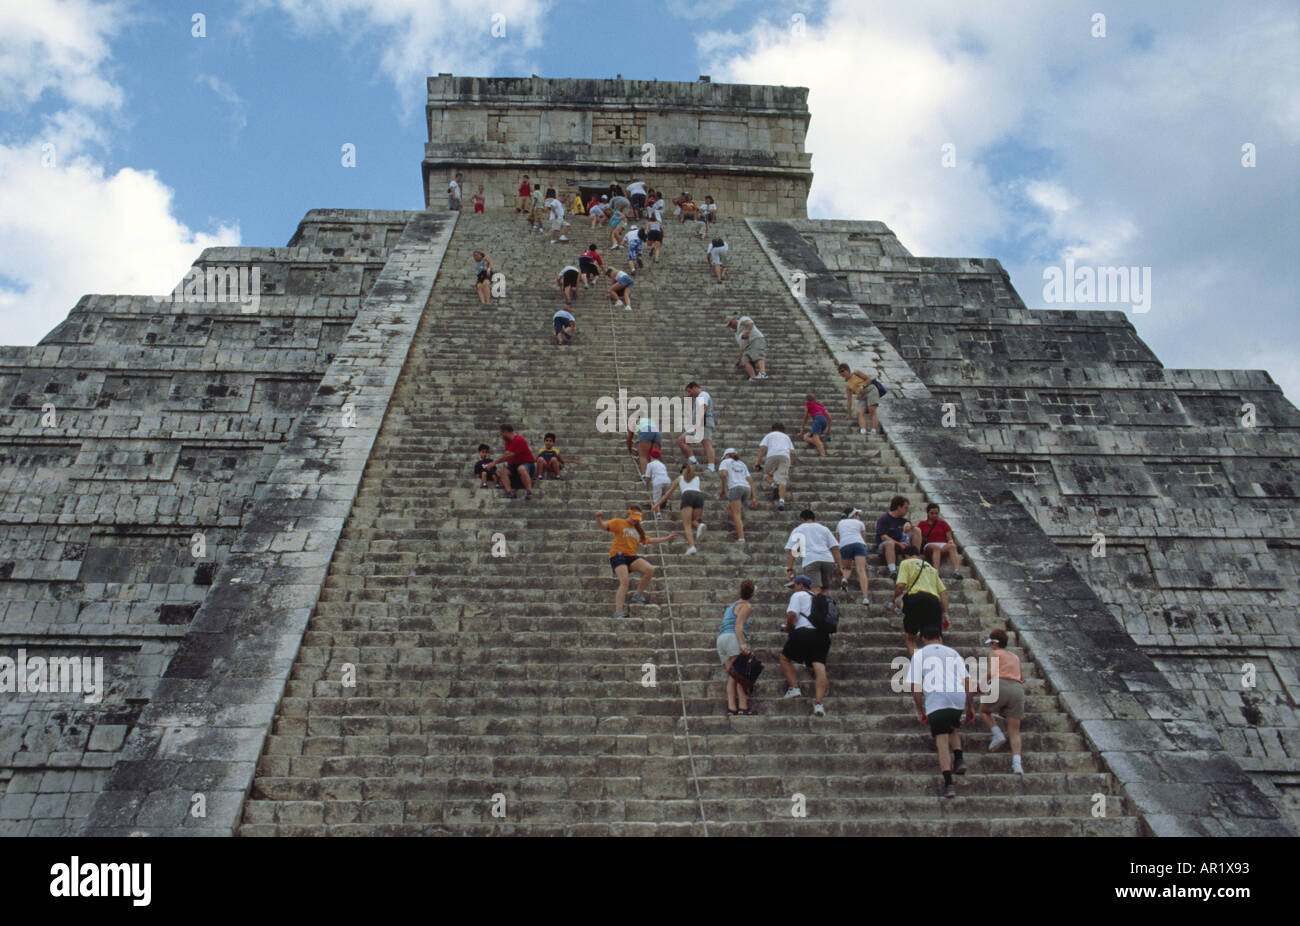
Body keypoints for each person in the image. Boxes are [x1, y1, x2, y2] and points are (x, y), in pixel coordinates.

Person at [906, 625, 976, 798]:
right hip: (957, 697)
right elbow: (967, 680)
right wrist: (971, 706)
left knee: (941, 741)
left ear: (923, 639)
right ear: (940, 638)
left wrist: (920, 710)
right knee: (952, 725)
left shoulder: (919, 655)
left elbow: (915, 687)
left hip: (936, 699)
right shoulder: (952, 652)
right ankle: (959, 758)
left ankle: (949, 783)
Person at [596, 507, 679, 618]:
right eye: (633, 518)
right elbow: (603, 525)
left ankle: (638, 594)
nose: (635, 520)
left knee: (649, 569)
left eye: (637, 519)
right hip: (618, 555)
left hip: (631, 557)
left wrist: (666, 538)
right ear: (628, 514)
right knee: (625, 581)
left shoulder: (638, 530)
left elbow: (648, 540)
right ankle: (618, 611)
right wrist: (598, 518)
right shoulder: (618, 522)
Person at [778, 574, 830, 716]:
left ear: (801, 585)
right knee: (819, 666)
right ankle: (819, 704)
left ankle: (794, 688)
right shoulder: (818, 598)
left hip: (804, 633)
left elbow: (792, 615)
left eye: (793, 586)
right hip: (822, 636)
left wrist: (788, 627)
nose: (792, 590)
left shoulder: (798, 595)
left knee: (784, 657)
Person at [978, 628, 1026, 773]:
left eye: (991, 643)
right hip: (1017, 689)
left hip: (1000, 684)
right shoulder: (1015, 656)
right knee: (1015, 730)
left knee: (984, 711)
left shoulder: (995, 653)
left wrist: (980, 683)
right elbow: (1021, 677)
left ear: (995, 643)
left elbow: (992, 672)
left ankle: (998, 734)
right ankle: (1017, 764)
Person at [892, 546, 950, 656]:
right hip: (934, 601)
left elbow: (900, 586)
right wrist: (945, 614)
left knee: (911, 638)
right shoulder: (931, 568)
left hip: (915, 599)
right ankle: (937, 664)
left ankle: (919, 666)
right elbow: (944, 592)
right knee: (934, 638)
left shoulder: (906, 563)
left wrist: (894, 601)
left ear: (906, 556)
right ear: (918, 555)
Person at [718, 580, 756, 715]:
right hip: (732, 638)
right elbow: (738, 625)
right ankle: (743, 707)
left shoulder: (731, 606)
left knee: (732, 675)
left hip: (721, 639)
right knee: (741, 674)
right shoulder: (746, 606)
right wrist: (742, 644)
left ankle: (731, 708)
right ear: (752, 594)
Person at [651, 462, 706, 555]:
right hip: (699, 496)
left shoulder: (680, 478)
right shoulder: (697, 478)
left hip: (687, 495)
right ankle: (698, 526)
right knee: (693, 520)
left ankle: (692, 547)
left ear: (682, 470)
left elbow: (668, 493)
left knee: (687, 525)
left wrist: (657, 504)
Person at [784, 509, 843, 593]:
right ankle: (824, 605)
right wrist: (840, 567)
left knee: (815, 588)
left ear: (802, 519)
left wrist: (789, 569)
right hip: (827, 559)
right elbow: (835, 548)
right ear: (814, 519)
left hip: (811, 560)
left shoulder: (798, 530)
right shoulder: (824, 529)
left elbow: (793, 551)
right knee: (825, 588)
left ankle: (817, 606)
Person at [717, 448, 758, 543]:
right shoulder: (742, 463)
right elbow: (750, 481)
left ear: (726, 455)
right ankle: (739, 525)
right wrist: (753, 498)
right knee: (729, 507)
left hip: (735, 488)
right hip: (746, 489)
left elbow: (723, 475)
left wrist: (723, 489)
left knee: (736, 513)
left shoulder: (725, 462)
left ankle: (741, 538)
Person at [676, 381, 717, 471]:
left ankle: (711, 467)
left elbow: (703, 407)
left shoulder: (703, 395)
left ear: (694, 387)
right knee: (681, 440)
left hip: (703, 424)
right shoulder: (698, 398)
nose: (689, 394)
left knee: (706, 444)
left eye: (689, 391)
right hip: (697, 425)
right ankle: (693, 460)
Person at [876, 495, 922, 574]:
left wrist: (909, 528)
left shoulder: (903, 520)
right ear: (898, 507)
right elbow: (883, 537)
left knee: (916, 530)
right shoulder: (884, 518)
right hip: (886, 546)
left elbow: (908, 534)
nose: (907, 510)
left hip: (900, 544)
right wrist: (898, 543)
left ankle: (916, 557)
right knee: (890, 543)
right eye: (905, 508)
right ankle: (893, 570)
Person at [835, 506, 871, 604]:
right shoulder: (860, 523)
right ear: (854, 515)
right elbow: (863, 539)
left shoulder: (840, 523)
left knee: (847, 568)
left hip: (845, 545)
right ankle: (865, 597)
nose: (859, 516)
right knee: (861, 570)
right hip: (859, 544)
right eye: (857, 514)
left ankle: (844, 579)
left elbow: (837, 539)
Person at [491, 424, 536, 500]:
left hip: (527, 465)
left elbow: (508, 455)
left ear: (505, 432)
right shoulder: (507, 442)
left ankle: (529, 492)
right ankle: (510, 493)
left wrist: (494, 462)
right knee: (502, 472)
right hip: (514, 467)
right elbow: (506, 456)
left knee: (521, 468)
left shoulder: (519, 440)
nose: (501, 436)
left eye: (501, 433)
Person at [754, 423, 794, 509]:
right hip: (785, 457)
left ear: (773, 429)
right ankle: (781, 502)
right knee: (782, 480)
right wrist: (790, 466)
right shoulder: (787, 437)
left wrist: (757, 463)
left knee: (766, 473)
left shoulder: (769, 435)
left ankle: (774, 485)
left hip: (772, 455)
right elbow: (791, 452)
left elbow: (763, 449)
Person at [837, 363, 883, 434]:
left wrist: (862, 386)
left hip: (870, 390)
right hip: (862, 396)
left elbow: (868, 379)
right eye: (840, 372)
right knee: (859, 413)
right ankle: (863, 430)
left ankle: (873, 430)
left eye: (842, 371)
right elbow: (849, 400)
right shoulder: (848, 385)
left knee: (872, 410)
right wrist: (848, 413)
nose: (842, 373)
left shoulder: (856, 373)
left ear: (847, 370)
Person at [919, 502, 962, 577]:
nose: (934, 515)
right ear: (928, 513)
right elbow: (919, 536)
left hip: (943, 544)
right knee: (936, 547)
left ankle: (957, 571)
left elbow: (949, 537)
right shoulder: (922, 524)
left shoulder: (943, 523)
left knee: (952, 547)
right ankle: (936, 571)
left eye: (936, 513)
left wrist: (951, 542)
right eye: (932, 513)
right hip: (930, 544)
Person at [728, 316, 768, 381]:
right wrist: (739, 360)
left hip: (756, 339)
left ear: (734, 319)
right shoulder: (737, 334)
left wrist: (747, 332)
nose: (731, 326)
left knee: (758, 355)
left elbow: (751, 323)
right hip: (747, 346)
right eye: (729, 325)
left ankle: (763, 373)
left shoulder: (742, 319)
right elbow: (742, 347)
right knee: (745, 359)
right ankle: (753, 376)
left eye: (730, 323)